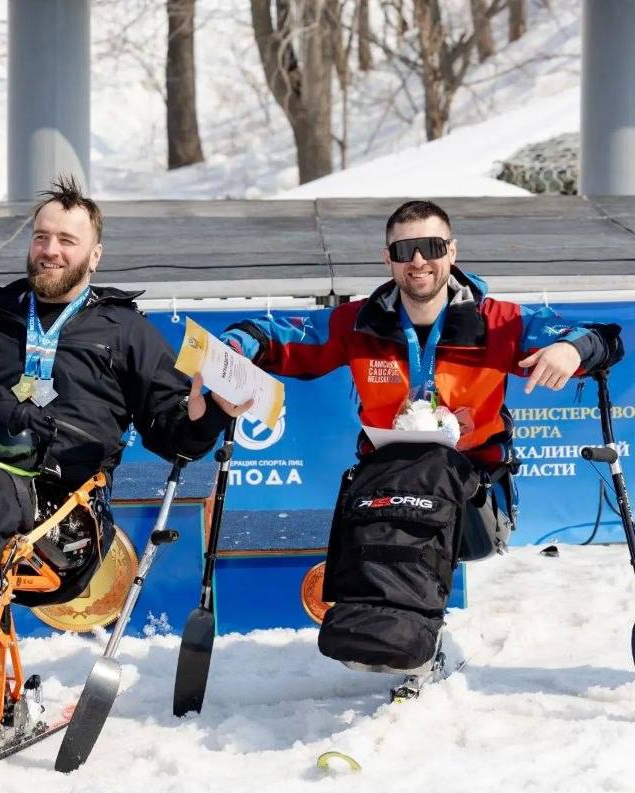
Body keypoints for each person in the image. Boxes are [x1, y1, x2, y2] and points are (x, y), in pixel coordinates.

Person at [0, 177, 245, 707]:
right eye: (42, 237)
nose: (51, 250)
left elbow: (174, 434)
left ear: (95, 254)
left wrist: (209, 413)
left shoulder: (125, 330)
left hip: (69, 511)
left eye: (67, 240)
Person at [221, 199, 622, 671]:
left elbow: (603, 338)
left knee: (428, 473)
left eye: (431, 247)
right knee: (375, 484)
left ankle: (408, 633)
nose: (418, 261)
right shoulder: (360, 322)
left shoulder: (500, 321)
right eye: (405, 249)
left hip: (473, 490)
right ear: (386, 257)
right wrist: (236, 347)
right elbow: (281, 337)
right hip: (384, 481)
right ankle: (372, 629)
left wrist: (571, 350)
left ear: (452, 251)